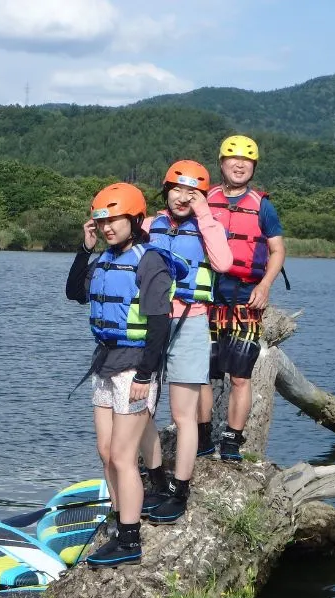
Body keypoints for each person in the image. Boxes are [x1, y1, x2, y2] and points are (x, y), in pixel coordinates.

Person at [65, 182, 187, 568]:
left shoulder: (148, 260)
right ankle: (120, 523)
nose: (107, 228)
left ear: (134, 219)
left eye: (114, 220)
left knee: (121, 455)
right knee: (106, 452)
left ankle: (131, 540)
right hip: (105, 363)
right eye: (101, 222)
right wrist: (84, 249)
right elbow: (74, 292)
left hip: (135, 365)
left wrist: (145, 376)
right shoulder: (101, 259)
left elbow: (159, 326)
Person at [138, 160, 232, 525]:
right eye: (176, 190)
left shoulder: (208, 227)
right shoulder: (148, 226)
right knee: (141, 410)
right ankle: (157, 479)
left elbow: (223, 262)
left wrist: (205, 214)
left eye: (192, 193)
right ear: (165, 192)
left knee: (183, 415)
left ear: (202, 198)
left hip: (191, 323)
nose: (182, 197)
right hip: (150, 324)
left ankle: (181, 489)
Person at [197, 135, 286, 461]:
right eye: (232, 159)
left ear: (253, 167)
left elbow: (277, 250)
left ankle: (233, 439)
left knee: (240, 376)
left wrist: (264, 286)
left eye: (246, 161)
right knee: (201, 373)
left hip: (246, 297)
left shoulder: (263, 206)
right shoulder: (205, 200)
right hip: (207, 296)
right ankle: (203, 435)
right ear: (221, 163)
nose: (239, 165)